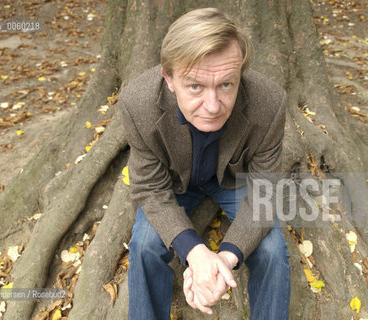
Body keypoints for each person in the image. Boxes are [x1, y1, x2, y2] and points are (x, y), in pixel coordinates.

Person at [119, 7, 290, 320]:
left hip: (233, 180)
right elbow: (149, 187)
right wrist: (195, 252)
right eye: (195, 86)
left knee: (272, 250)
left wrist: (226, 258)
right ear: (168, 79)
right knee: (143, 247)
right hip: (173, 184)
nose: (212, 106)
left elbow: (267, 193)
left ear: (240, 75)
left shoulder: (270, 102)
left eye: (226, 85)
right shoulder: (137, 103)